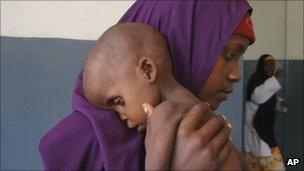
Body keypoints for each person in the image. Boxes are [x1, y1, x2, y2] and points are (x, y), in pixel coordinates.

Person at [39, 1, 255, 170]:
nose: (236, 75)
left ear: (149, 70)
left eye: (236, 57)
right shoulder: (82, 143)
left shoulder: (186, 124)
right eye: (227, 54)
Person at [244, 54, 288, 171]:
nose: (270, 67)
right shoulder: (256, 79)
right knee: (270, 159)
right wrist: (275, 79)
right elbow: (258, 97)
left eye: (272, 64)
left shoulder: (266, 81)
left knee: (257, 160)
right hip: (257, 127)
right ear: (261, 66)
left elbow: (268, 99)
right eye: (267, 65)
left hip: (263, 128)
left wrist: (280, 103)